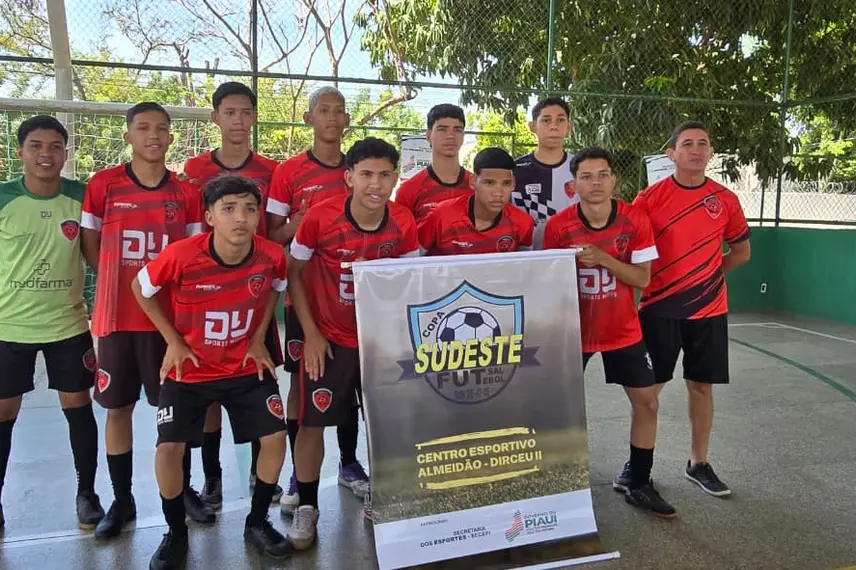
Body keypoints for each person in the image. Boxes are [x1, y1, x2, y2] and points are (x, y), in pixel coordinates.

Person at [131, 175, 292, 568]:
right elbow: (140, 287)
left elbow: (277, 286)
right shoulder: (182, 255)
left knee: (275, 437)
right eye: (229, 209)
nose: (241, 218)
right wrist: (173, 340)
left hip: (243, 366)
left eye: (250, 209)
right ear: (209, 217)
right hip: (191, 369)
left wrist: (258, 338)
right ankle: (175, 532)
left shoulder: (271, 255)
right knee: (168, 448)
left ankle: (257, 522)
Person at [80, 102, 209, 539]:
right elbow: (91, 244)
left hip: (169, 325)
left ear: (171, 137)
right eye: (143, 127)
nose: (153, 135)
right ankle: (122, 499)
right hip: (117, 319)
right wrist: (116, 282)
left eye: (161, 128)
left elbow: (193, 256)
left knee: (177, 412)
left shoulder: (186, 193)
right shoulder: (103, 185)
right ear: (128, 136)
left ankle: (183, 490)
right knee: (118, 410)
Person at [286, 137, 419, 549]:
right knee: (312, 424)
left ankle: (382, 496)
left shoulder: (403, 221)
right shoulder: (320, 217)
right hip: (329, 338)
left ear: (395, 178)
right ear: (349, 178)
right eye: (366, 174)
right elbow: (293, 272)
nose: (376, 184)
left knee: (386, 424)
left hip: (379, 338)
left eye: (385, 175)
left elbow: (411, 282)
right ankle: (308, 506)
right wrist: (311, 333)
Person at [543, 147, 674, 518]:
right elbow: (548, 282)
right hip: (573, 332)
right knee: (558, 408)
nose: (596, 183)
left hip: (622, 330)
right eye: (586, 176)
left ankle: (639, 481)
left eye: (603, 175)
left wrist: (602, 258)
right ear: (573, 186)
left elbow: (642, 279)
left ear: (614, 180)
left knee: (647, 402)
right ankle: (556, 483)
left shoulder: (634, 219)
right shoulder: (558, 227)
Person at [633, 122, 751, 497]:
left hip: (709, 310)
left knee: (701, 387)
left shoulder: (725, 199)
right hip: (659, 310)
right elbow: (634, 253)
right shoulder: (648, 199)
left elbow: (741, 252)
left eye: (703, 143)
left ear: (710, 152)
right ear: (671, 154)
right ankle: (637, 466)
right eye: (687, 144)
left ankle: (698, 463)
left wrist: (707, 278)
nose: (696, 150)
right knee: (647, 393)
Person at [266, 86, 367, 514]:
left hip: (353, 302)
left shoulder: (361, 168)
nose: (331, 117)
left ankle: (349, 462)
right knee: (302, 385)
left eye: (338, 111)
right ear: (309, 118)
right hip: (306, 300)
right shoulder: (289, 172)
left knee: (350, 385)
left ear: (347, 121)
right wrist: (301, 223)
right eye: (323, 110)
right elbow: (271, 235)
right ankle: (298, 472)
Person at [183, 81, 283, 509]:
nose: (238, 120)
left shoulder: (272, 170)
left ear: (254, 117)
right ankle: (212, 477)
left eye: (245, 112)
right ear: (216, 117)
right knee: (208, 392)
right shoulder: (194, 169)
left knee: (258, 378)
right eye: (229, 112)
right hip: (208, 297)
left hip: (254, 296)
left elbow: (276, 231)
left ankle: (264, 477)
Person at [0, 116, 103, 530]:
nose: (46, 154)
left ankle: (87, 494)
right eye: (36, 146)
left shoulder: (81, 197)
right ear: (20, 151)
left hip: (68, 325)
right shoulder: (4, 197)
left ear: (65, 152)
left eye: (55, 146)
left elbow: (100, 251)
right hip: (9, 328)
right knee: (3, 413)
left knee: (78, 408)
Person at [419, 147, 533, 255]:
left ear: (513, 184)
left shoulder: (523, 223)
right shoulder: (441, 216)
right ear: (473, 181)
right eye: (489, 183)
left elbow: (527, 264)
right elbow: (413, 260)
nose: (498, 192)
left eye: (506, 183)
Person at [511, 96, 577, 249]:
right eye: (546, 120)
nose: (554, 126)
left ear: (569, 126)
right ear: (532, 126)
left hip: (570, 255)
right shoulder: (514, 170)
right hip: (525, 256)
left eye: (560, 120)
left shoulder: (581, 169)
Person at [394, 104, 472, 224]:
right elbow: (402, 233)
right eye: (442, 129)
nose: (450, 136)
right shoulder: (409, 190)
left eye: (457, 130)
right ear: (428, 135)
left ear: (463, 136)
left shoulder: (477, 187)